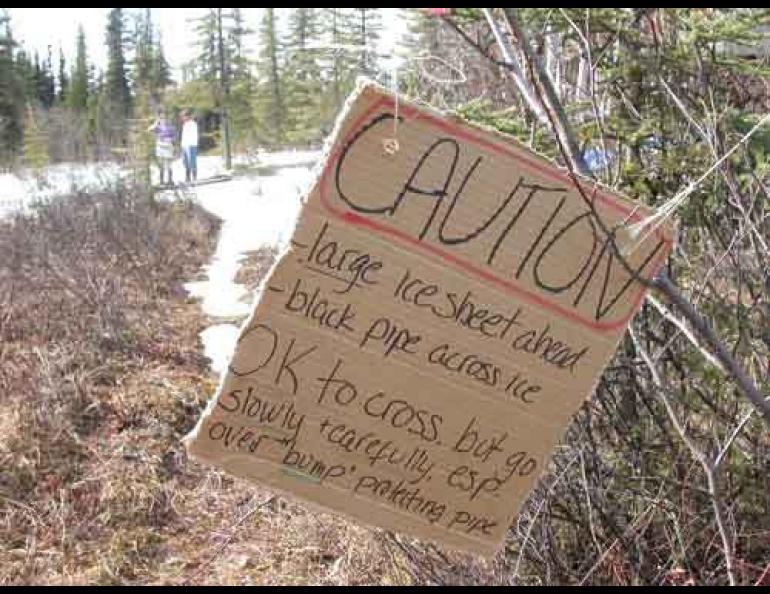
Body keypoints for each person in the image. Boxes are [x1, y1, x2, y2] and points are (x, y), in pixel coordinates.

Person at [147, 110, 176, 186]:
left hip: (168, 146)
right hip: (160, 147)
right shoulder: (157, 126)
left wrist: (169, 139)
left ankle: (170, 180)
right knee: (161, 164)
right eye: (162, 117)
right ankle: (162, 181)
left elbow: (174, 137)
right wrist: (155, 123)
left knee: (169, 164)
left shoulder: (170, 126)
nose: (163, 119)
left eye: (165, 117)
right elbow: (149, 130)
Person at [180, 109, 199, 183]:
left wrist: (190, 144)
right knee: (185, 161)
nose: (182, 118)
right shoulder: (185, 124)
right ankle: (187, 177)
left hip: (191, 144)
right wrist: (182, 145)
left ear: (187, 116)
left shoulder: (192, 124)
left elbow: (192, 136)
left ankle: (194, 177)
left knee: (192, 161)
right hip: (185, 145)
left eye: (183, 116)